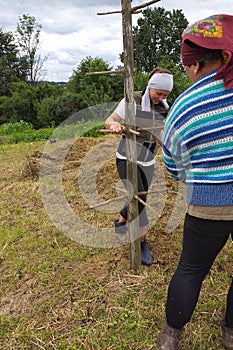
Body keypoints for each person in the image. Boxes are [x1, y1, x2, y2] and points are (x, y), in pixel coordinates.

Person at [157, 14, 233, 349]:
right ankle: (230, 330)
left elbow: (172, 164)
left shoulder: (185, 106)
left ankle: (172, 335)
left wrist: (197, 176)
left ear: (196, 64)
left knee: (191, 269)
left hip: (209, 203)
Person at [104, 67, 173, 266]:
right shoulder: (131, 99)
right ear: (150, 87)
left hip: (148, 160)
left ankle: (121, 220)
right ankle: (141, 241)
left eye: (165, 95)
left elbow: (159, 132)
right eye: (158, 93)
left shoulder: (163, 107)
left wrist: (169, 146)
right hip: (127, 157)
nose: (161, 98)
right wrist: (114, 126)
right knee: (139, 196)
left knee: (138, 195)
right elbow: (110, 120)